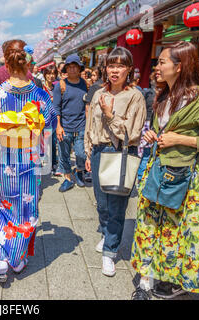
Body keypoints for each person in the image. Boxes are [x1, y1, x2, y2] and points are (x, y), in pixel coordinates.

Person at [131, 41, 199, 300]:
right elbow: (163, 131)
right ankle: (146, 282)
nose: (156, 67)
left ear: (180, 66)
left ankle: (177, 280)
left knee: (182, 232)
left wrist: (181, 140)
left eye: (162, 62)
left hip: (188, 177)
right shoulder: (163, 94)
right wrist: (153, 135)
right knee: (149, 226)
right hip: (158, 170)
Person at [0, 39, 52, 284]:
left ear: (6, 65)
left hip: (3, 162)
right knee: (26, 210)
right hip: (29, 162)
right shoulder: (40, 95)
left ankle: (1, 257)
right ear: (27, 63)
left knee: (2, 207)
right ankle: (17, 258)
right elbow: (48, 125)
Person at [84, 47, 146, 277]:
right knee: (101, 203)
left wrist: (110, 114)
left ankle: (110, 251)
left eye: (120, 65)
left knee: (117, 206)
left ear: (129, 69)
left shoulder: (135, 95)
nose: (114, 70)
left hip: (120, 152)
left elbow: (133, 131)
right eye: (111, 65)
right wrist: (89, 152)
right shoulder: (99, 92)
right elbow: (90, 124)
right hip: (100, 151)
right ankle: (107, 234)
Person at [53, 54, 88, 192]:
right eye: (70, 67)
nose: (73, 69)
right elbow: (56, 107)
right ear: (66, 69)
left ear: (79, 68)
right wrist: (58, 126)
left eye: (75, 67)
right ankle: (68, 178)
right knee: (64, 154)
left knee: (81, 153)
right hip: (65, 126)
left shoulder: (85, 84)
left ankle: (79, 172)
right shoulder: (60, 85)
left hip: (81, 125)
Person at [42, 64, 60, 176]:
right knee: (43, 142)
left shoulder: (57, 88)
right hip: (43, 120)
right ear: (45, 75)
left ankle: (53, 163)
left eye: (53, 74)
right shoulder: (41, 88)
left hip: (54, 120)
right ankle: (43, 162)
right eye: (49, 73)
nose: (51, 76)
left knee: (53, 143)